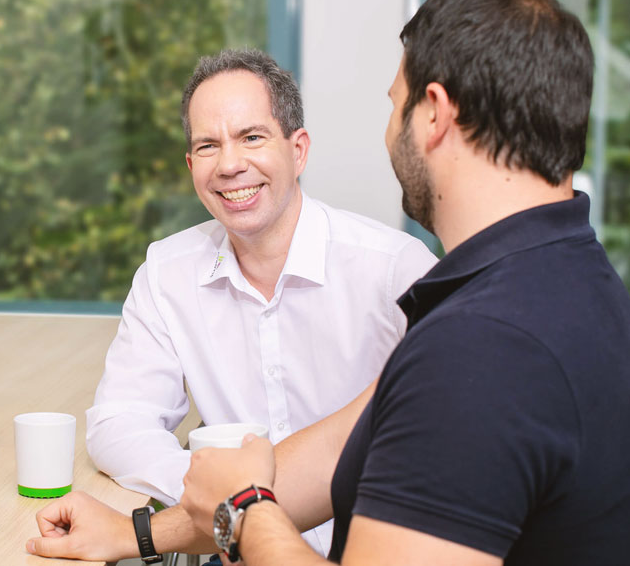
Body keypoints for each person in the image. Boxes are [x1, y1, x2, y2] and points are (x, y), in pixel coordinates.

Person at [27, 0, 630, 565]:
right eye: (208, 146)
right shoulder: (562, 279)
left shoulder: (481, 344)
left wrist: (244, 505)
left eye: (396, 105)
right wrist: (140, 535)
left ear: (435, 114)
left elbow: (267, 495)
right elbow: (334, 450)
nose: (390, 131)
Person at [45, 48, 436, 558]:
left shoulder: (395, 272)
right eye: (208, 146)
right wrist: (212, 493)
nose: (230, 164)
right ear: (190, 166)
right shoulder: (168, 271)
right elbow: (119, 421)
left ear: (298, 150)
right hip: (232, 547)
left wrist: (235, 503)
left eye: (252, 137)